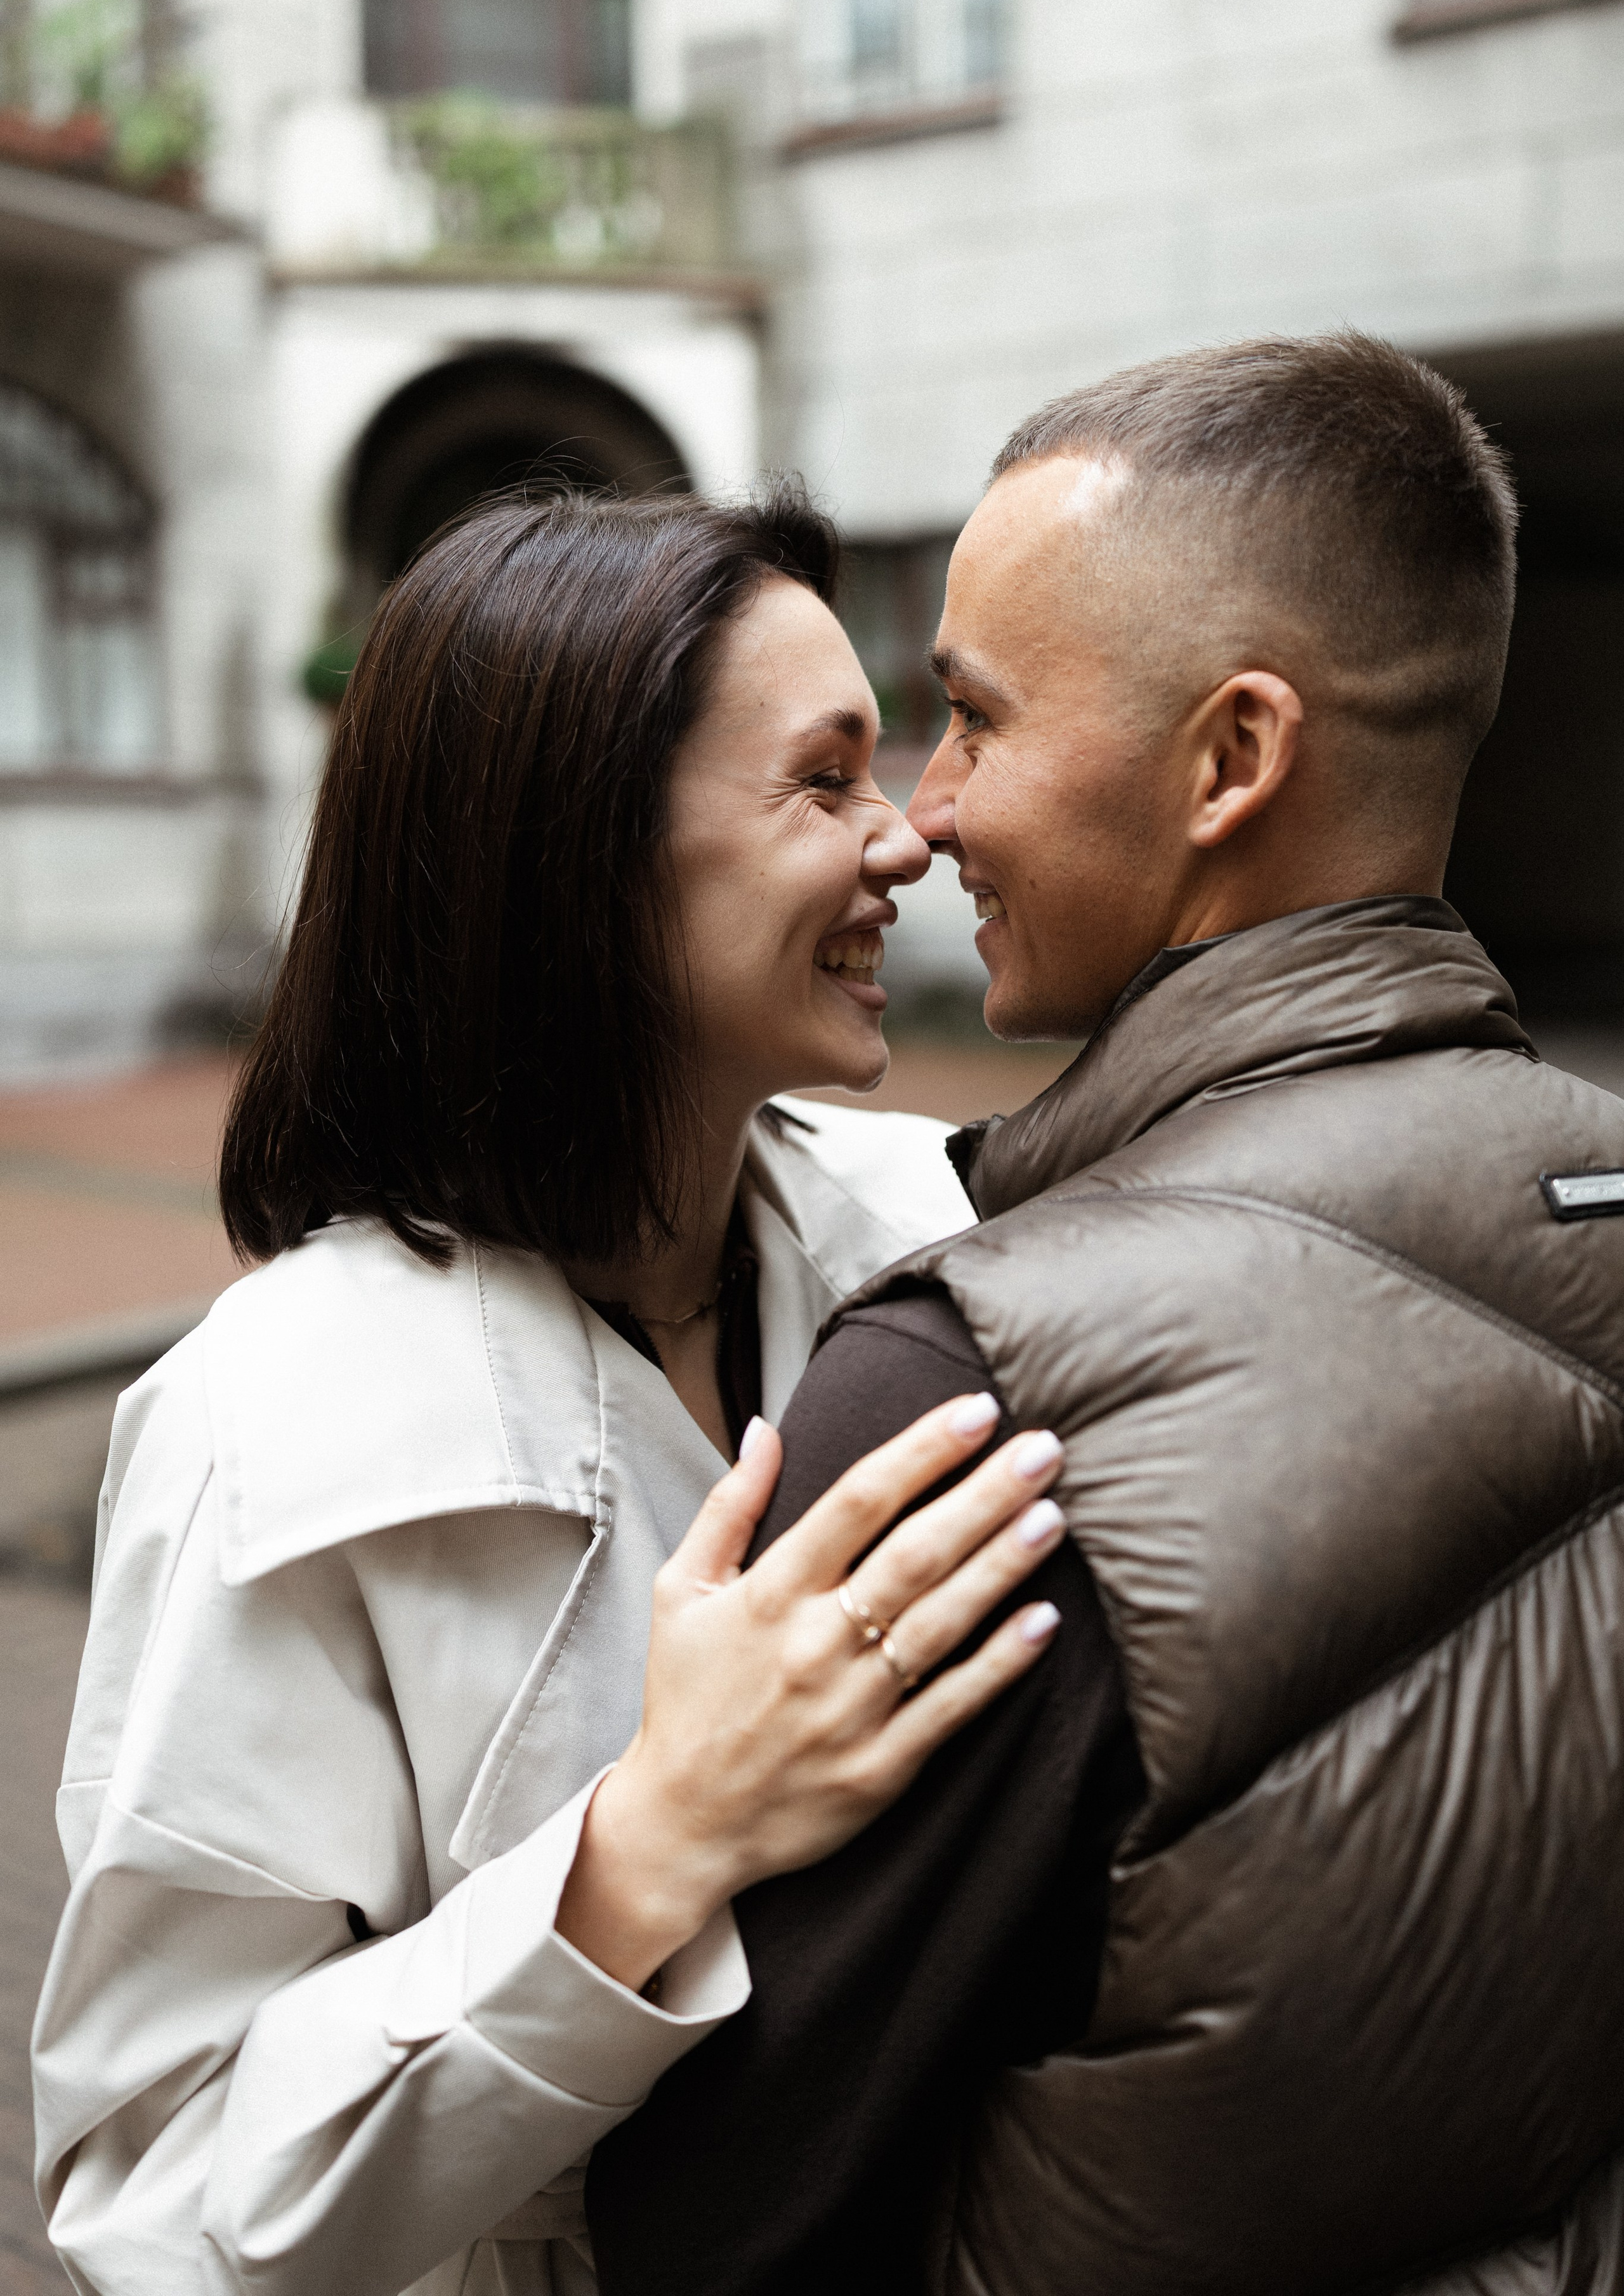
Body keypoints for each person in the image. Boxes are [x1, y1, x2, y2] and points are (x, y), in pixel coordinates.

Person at [586, 334, 1624, 2296]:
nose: (926, 816)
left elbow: (718, 2216)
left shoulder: (982, 1390)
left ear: (1233, 759)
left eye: (971, 720)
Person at [30, 487, 1080, 2296]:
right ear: (583, 856)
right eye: (824, 781)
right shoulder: (264, 1429)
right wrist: (646, 1851)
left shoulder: (954, 1228)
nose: (907, 837)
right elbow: (163, 2199)